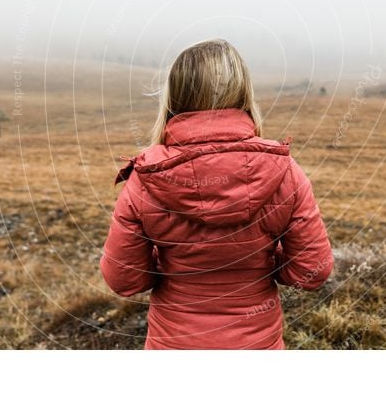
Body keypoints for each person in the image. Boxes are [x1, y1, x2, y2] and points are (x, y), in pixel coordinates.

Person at [100, 38, 334, 349]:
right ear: (244, 94)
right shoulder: (286, 172)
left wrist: (172, 261)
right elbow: (312, 272)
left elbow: (124, 280)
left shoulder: (145, 180)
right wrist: (261, 258)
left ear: (174, 97)